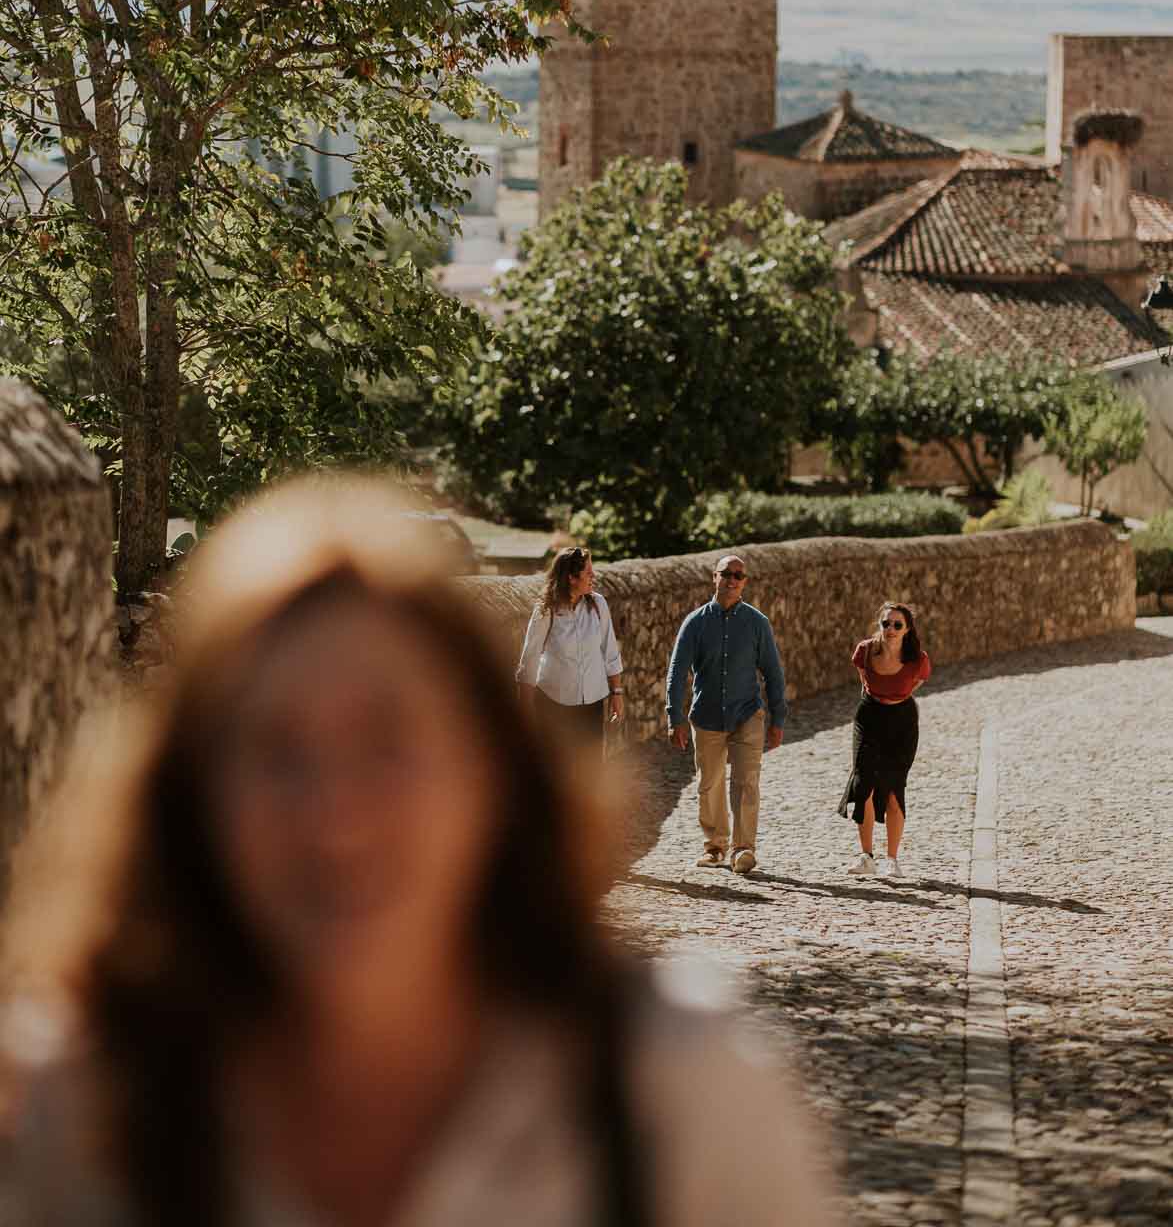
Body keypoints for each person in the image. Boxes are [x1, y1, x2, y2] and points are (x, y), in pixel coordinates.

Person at [0, 478, 839, 1227]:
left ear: (490, 775)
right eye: (274, 751)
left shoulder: (678, 1092)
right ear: (188, 794)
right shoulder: (68, 1113)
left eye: (389, 742)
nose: (336, 816)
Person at [665, 553, 786, 877]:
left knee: (746, 781)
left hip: (747, 713)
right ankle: (715, 846)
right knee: (710, 783)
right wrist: (674, 716)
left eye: (738, 575)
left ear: (744, 582)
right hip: (705, 716)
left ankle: (744, 848)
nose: (732, 580)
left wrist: (778, 719)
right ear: (714, 578)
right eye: (726, 574)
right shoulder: (695, 623)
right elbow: (677, 673)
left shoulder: (757, 623)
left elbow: (773, 673)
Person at [838, 600, 932, 880]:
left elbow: (916, 683)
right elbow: (865, 682)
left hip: (901, 723)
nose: (890, 629)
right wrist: (879, 701)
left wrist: (895, 698)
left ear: (907, 629)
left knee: (893, 788)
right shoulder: (865, 651)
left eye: (897, 625)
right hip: (869, 717)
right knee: (862, 782)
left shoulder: (917, 658)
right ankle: (866, 856)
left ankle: (892, 859)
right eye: (886, 623)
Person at [516, 544, 623, 749]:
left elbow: (610, 651)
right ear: (571, 578)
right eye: (588, 572)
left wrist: (617, 692)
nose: (594, 575)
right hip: (554, 703)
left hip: (592, 703)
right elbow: (529, 658)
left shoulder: (598, 605)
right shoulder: (546, 609)